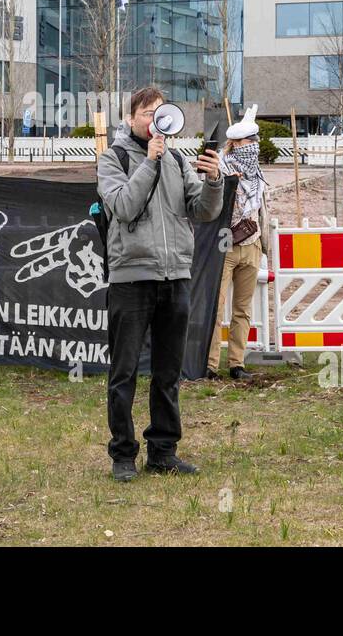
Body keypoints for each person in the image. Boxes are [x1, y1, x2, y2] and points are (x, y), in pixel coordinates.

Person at [97, 86, 223, 482]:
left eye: (160, 112)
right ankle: (122, 454)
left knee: (168, 372)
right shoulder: (112, 158)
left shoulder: (177, 160)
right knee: (125, 372)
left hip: (175, 277)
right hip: (131, 279)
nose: (155, 120)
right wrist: (149, 163)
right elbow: (122, 206)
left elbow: (202, 210)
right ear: (131, 117)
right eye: (148, 113)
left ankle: (163, 451)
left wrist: (215, 180)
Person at [207, 106, 270, 382]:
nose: (253, 147)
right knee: (215, 307)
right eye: (248, 142)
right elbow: (209, 202)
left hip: (252, 243)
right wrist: (226, 183)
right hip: (224, 246)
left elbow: (262, 208)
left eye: (255, 141)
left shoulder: (257, 173)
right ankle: (209, 365)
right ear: (235, 143)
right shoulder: (220, 167)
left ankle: (236, 363)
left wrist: (263, 244)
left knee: (242, 309)